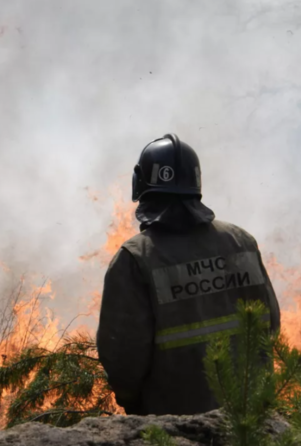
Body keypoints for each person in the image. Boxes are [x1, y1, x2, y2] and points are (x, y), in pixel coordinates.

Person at [96, 133, 281, 416]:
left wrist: (134, 405)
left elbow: (123, 358)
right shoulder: (241, 241)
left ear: (141, 186)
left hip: (174, 426)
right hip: (252, 421)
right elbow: (271, 324)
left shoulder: (135, 259)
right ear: (196, 185)